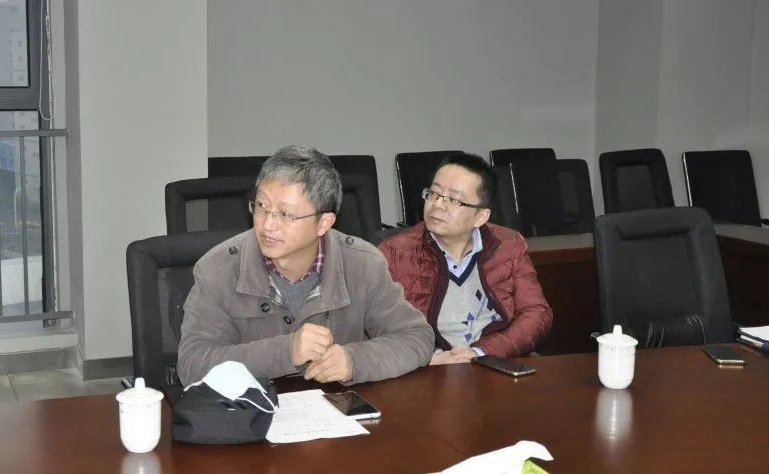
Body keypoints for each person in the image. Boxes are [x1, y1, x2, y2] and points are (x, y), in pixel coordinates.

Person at [177, 146, 434, 386]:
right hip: (251, 411)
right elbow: (192, 365)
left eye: (286, 214)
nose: (267, 224)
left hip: (336, 411)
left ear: (323, 223)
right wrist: (286, 351)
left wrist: (354, 361)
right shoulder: (218, 270)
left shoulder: (363, 264)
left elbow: (416, 337)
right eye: (261, 206)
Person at [379, 153, 551, 364]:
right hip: (427, 369)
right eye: (434, 193)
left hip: (491, 364)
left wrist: (481, 352)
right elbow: (375, 327)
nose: (437, 204)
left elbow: (536, 313)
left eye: (453, 200)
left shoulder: (509, 245)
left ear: (481, 216)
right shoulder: (394, 252)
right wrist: (426, 359)